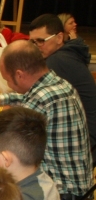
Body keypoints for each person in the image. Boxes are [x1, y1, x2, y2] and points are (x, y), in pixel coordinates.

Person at [0, 40, 93, 200]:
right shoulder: (57, 83)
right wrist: (1, 99)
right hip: (77, 191)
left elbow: (8, 140)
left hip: (63, 197)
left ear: (19, 74)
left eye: (8, 80)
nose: (9, 84)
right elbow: (28, 97)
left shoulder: (42, 98)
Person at [28, 13, 96, 160]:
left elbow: (36, 101)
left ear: (59, 38)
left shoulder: (57, 61)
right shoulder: (67, 54)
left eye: (41, 41)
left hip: (84, 142)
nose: (36, 46)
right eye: (33, 42)